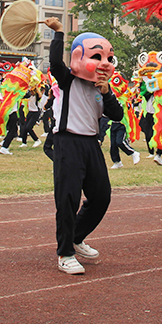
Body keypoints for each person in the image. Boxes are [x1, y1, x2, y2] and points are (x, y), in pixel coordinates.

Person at [43, 17, 123, 275]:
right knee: (67, 199)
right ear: (78, 57)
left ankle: (76, 237)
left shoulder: (102, 88)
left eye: (108, 58)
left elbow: (117, 115)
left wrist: (108, 91)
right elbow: (56, 63)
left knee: (101, 196)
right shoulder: (68, 81)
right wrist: (58, 33)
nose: (104, 63)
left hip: (91, 144)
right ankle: (65, 253)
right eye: (97, 56)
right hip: (68, 142)